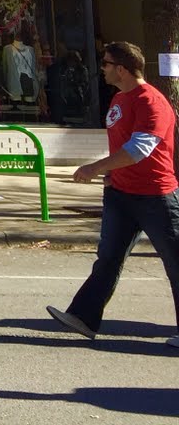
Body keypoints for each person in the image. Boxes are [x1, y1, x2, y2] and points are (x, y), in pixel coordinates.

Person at [48, 42, 179, 346]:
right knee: (107, 258)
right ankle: (83, 318)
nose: (102, 69)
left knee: (175, 261)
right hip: (120, 195)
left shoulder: (151, 102)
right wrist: (112, 173)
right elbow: (122, 148)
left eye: (106, 63)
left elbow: (139, 149)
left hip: (156, 196)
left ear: (121, 69)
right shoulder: (120, 98)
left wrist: (95, 167)